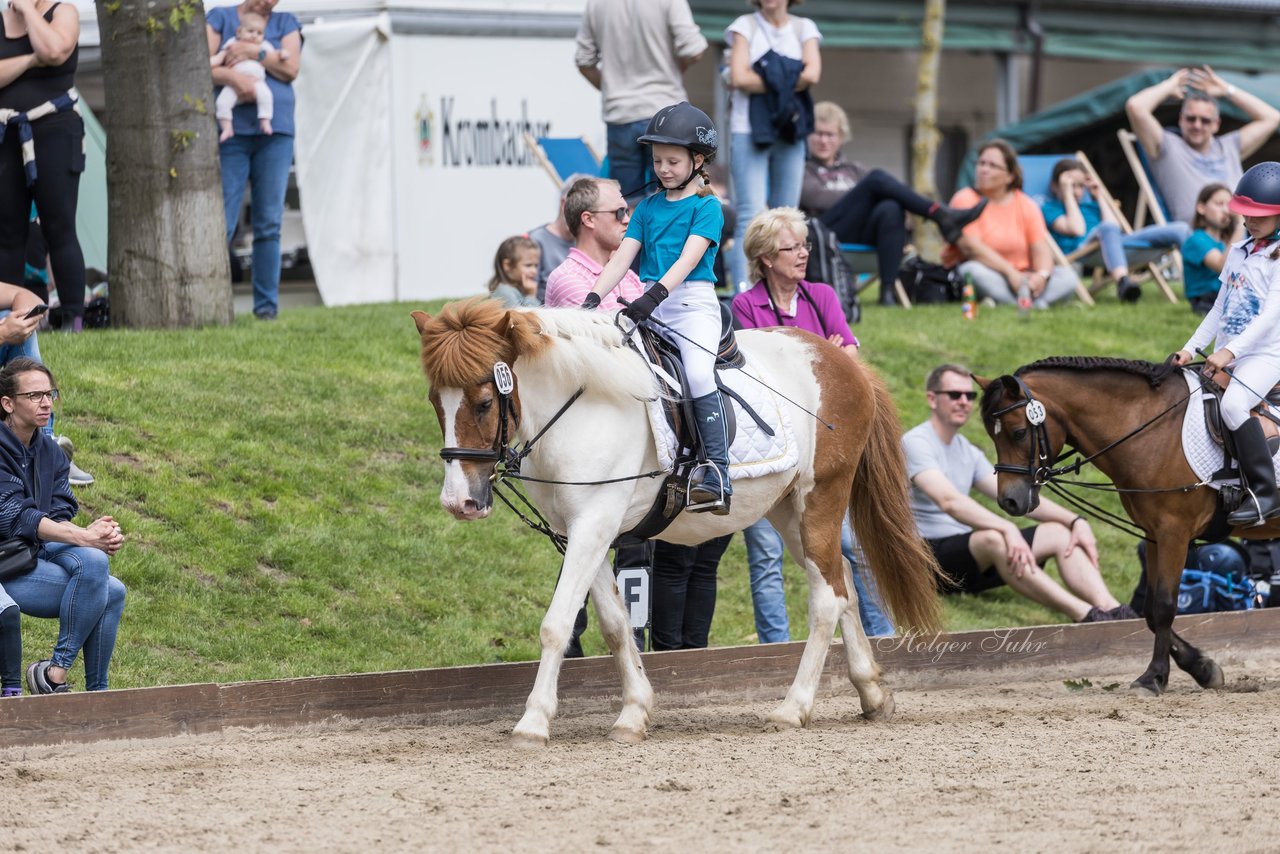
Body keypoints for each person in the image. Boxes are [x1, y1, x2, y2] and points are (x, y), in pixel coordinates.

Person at [731, 207, 893, 640]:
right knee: (766, 555)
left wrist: (825, 362)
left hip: (823, 442)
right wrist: (826, 353)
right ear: (766, 258)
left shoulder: (821, 295)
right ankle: (776, 647)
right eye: (792, 247)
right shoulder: (745, 305)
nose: (803, 254)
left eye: (804, 245)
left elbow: (851, 363)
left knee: (844, 546)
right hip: (773, 442)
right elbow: (757, 373)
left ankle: (881, 636)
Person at [583, 101, 730, 514]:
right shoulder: (646, 208)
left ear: (697, 160)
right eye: (657, 161)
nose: (663, 168)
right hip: (650, 305)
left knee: (699, 373)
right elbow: (621, 258)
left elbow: (688, 260)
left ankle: (717, 471)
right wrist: (592, 300)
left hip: (691, 305)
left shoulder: (707, 207)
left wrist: (653, 297)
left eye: (672, 161)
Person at [905, 364, 1135, 623]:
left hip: (967, 558)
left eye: (969, 396)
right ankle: (1087, 616)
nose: (964, 402)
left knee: (1059, 533)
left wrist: (1074, 520)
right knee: (994, 538)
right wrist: (1007, 528)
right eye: (954, 395)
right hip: (924, 560)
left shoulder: (965, 449)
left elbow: (1009, 490)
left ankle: (1114, 610)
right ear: (932, 398)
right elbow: (950, 502)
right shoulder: (916, 442)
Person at [0, 358, 124, 694]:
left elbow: (61, 506)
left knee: (110, 581)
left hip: (35, 551)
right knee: (105, 581)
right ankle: (54, 677)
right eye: (35, 395)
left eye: (50, 394)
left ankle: (92, 691)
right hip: (6, 563)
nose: (45, 403)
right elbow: (14, 516)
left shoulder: (49, 450)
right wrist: (84, 537)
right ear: (8, 403)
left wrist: (98, 535)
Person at [1172, 163, 1280, 527]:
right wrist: (1189, 348)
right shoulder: (1238, 250)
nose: (1250, 220)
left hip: (1267, 355)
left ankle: (1265, 493)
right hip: (1229, 351)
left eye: (1260, 215)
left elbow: (1269, 318)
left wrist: (1228, 353)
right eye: (1247, 213)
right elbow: (1220, 308)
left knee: (1234, 404)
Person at [803, 101, 986, 306]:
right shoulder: (802, 168)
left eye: (830, 135)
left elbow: (876, 196)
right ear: (808, 135)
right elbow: (814, 197)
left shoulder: (853, 169)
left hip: (859, 234)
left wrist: (867, 198)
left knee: (890, 207)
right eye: (818, 133)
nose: (824, 140)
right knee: (877, 180)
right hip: (822, 234)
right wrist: (863, 195)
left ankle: (887, 292)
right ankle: (940, 215)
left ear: (841, 138)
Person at [207, 0, 302, 321]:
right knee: (224, 220)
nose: (270, 3)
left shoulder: (286, 22)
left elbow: (290, 68)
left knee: (269, 222)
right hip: (231, 134)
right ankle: (215, 305)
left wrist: (252, 53)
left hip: (275, 132)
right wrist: (235, 79)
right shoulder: (219, 17)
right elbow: (201, 65)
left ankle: (265, 308)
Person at [0, 0, 87, 333]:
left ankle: (72, 320)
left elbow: (53, 50)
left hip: (55, 130)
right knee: (7, 234)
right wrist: (31, 60)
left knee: (59, 227)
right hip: (6, 134)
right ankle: (8, 322)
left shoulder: (63, 12)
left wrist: (28, 12)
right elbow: (40, 56)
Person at [723, 0, 821, 290]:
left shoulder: (805, 28)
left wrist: (766, 72)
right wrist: (790, 74)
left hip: (789, 128)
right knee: (750, 213)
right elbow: (739, 77)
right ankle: (744, 290)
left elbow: (813, 75)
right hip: (748, 128)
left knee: (788, 214)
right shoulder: (745, 26)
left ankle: (785, 289)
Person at [575, 0, 706, 205]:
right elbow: (694, 50)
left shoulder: (596, 3)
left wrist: (612, 87)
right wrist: (676, 67)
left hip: (621, 113)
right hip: (666, 113)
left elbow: (584, 61)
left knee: (626, 205)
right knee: (675, 200)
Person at [1125, 66, 1279, 226]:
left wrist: (1227, 90)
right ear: (1180, 120)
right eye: (1191, 119)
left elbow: (1272, 118)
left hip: (1246, 234)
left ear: (1216, 124)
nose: (1197, 125)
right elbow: (1135, 107)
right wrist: (1168, 86)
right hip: (1200, 240)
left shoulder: (1229, 146)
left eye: (1205, 120)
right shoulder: (1166, 146)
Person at [944, 140, 1078, 309]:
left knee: (1068, 276)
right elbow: (971, 248)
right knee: (972, 271)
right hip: (991, 273)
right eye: (981, 163)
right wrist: (1011, 273)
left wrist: (1041, 277)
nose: (983, 170)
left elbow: (1041, 249)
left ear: (1010, 176)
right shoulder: (965, 198)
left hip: (1024, 278)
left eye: (992, 166)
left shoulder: (1026, 204)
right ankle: (1026, 305)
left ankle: (1027, 302)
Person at [1040, 157, 1190, 303]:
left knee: (1181, 229)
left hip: (1116, 244)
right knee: (1107, 227)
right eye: (1071, 185)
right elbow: (1077, 229)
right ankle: (1123, 281)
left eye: (1080, 186)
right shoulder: (1050, 208)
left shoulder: (1090, 206)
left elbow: (1115, 228)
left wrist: (1099, 197)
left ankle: (1203, 286)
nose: (1077, 191)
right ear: (1055, 186)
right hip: (1085, 250)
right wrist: (1067, 195)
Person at [543, 177, 643, 310]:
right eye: (619, 213)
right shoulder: (568, 279)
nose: (627, 220)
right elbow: (609, 331)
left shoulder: (628, 275)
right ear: (589, 219)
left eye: (627, 212)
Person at [211, 11, 278, 142]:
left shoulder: (263, 46)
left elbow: (276, 56)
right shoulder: (232, 44)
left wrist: (283, 54)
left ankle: (265, 120)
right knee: (222, 102)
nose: (254, 36)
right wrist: (211, 61)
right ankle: (227, 127)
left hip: (257, 81)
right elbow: (221, 56)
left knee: (266, 96)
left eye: (259, 33)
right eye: (250, 31)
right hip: (233, 84)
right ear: (239, 32)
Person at [528, 173, 593, 303]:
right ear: (565, 204)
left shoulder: (590, 242)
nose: (588, 219)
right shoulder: (534, 241)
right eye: (584, 210)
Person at [1182, 183, 1235, 315]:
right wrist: (1240, 226)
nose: (1226, 210)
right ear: (1201, 208)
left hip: (1226, 298)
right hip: (1205, 302)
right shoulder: (1196, 240)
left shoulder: (1226, 243)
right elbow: (1221, 266)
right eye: (1219, 204)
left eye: (1229, 205)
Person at [486, 236, 541, 309]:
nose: (534, 271)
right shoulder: (504, 291)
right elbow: (522, 318)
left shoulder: (522, 287)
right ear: (508, 265)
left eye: (536, 265)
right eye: (528, 265)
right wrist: (531, 295)